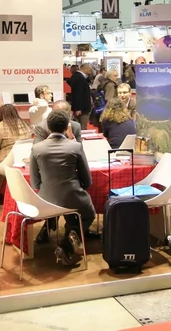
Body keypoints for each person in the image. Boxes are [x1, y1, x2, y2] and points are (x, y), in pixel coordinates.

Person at [30, 110, 95, 266]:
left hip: (45, 200)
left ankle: (68, 236)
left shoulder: (36, 148)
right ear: (67, 126)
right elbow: (87, 180)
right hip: (73, 197)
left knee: (72, 210)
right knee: (88, 214)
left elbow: (35, 182)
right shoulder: (76, 147)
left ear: (48, 126)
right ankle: (69, 238)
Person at [68, 63, 93, 129]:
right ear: (86, 69)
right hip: (82, 109)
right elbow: (77, 94)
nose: (90, 72)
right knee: (82, 127)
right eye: (89, 70)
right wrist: (78, 108)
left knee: (80, 126)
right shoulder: (79, 78)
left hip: (81, 108)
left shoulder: (77, 77)